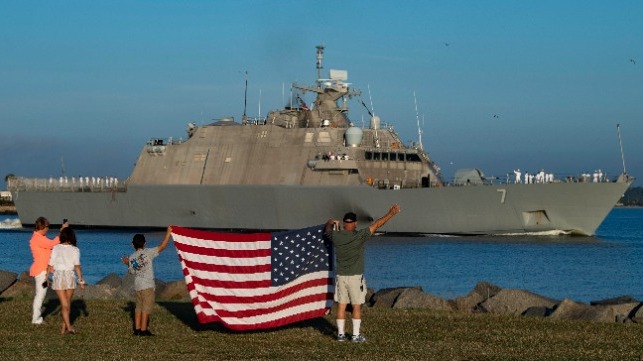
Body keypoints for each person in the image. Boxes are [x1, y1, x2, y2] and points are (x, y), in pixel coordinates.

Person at [325, 204, 401, 343]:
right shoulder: (359, 236)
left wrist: (330, 222)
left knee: (341, 305)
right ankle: (355, 336)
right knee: (356, 306)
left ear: (343, 223)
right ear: (355, 223)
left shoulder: (336, 236)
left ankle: (340, 335)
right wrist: (391, 213)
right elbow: (377, 224)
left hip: (341, 276)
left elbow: (327, 230)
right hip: (355, 277)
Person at [121, 226, 173, 336]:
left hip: (138, 286)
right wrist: (168, 233)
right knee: (146, 308)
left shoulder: (132, 257)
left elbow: (132, 271)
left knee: (138, 307)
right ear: (145, 244)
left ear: (132, 245)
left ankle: (137, 329)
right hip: (148, 285)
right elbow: (162, 246)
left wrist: (127, 263)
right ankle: (144, 330)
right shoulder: (148, 252)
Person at [29, 216, 67, 324]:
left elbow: (52, 244)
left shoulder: (40, 237)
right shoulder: (37, 238)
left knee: (41, 293)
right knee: (40, 294)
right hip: (41, 271)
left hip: (43, 271)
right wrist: (62, 231)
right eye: (46, 227)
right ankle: (36, 319)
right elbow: (51, 244)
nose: (48, 229)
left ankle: (37, 317)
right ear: (41, 227)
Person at [47, 227, 85, 334]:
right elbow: (77, 266)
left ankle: (64, 329)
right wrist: (81, 280)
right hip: (69, 276)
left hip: (58, 276)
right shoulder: (75, 250)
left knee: (65, 305)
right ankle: (69, 327)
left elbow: (50, 264)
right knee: (67, 304)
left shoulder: (56, 248)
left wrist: (46, 279)